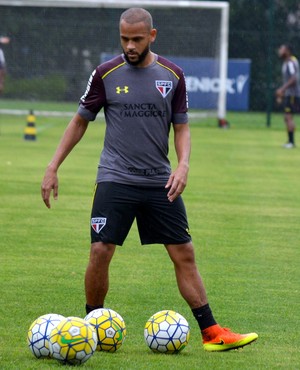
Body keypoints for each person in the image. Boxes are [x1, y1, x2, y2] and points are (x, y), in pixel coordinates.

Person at [41, 8, 258, 352]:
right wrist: (53, 166)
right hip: (115, 177)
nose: (129, 45)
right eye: (124, 38)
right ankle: (90, 328)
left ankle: (212, 332)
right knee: (100, 250)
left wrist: (183, 165)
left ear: (152, 36)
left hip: (159, 180)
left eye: (137, 39)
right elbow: (80, 120)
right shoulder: (105, 73)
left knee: (184, 252)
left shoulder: (172, 75)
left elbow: (182, 127)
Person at [276, 44, 300, 148]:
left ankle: (291, 142)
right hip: (290, 94)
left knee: (288, 117)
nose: (280, 51)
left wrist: (282, 89)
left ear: (288, 51)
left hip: (293, 94)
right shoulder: (287, 62)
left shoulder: (290, 63)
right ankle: (291, 141)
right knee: (287, 117)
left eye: (282, 49)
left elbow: (294, 79)